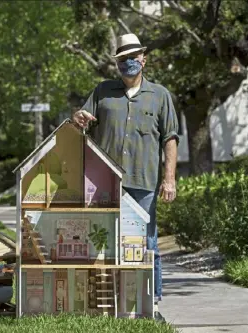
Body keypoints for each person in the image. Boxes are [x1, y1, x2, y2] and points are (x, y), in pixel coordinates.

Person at [72, 33, 179, 321]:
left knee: (146, 244)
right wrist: (77, 118)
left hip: (143, 182)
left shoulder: (160, 96)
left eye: (133, 57)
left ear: (144, 58)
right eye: (122, 59)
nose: (128, 62)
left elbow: (170, 138)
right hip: (103, 182)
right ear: (116, 63)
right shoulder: (102, 92)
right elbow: (79, 121)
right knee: (101, 242)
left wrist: (169, 179)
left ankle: (151, 305)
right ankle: (102, 305)